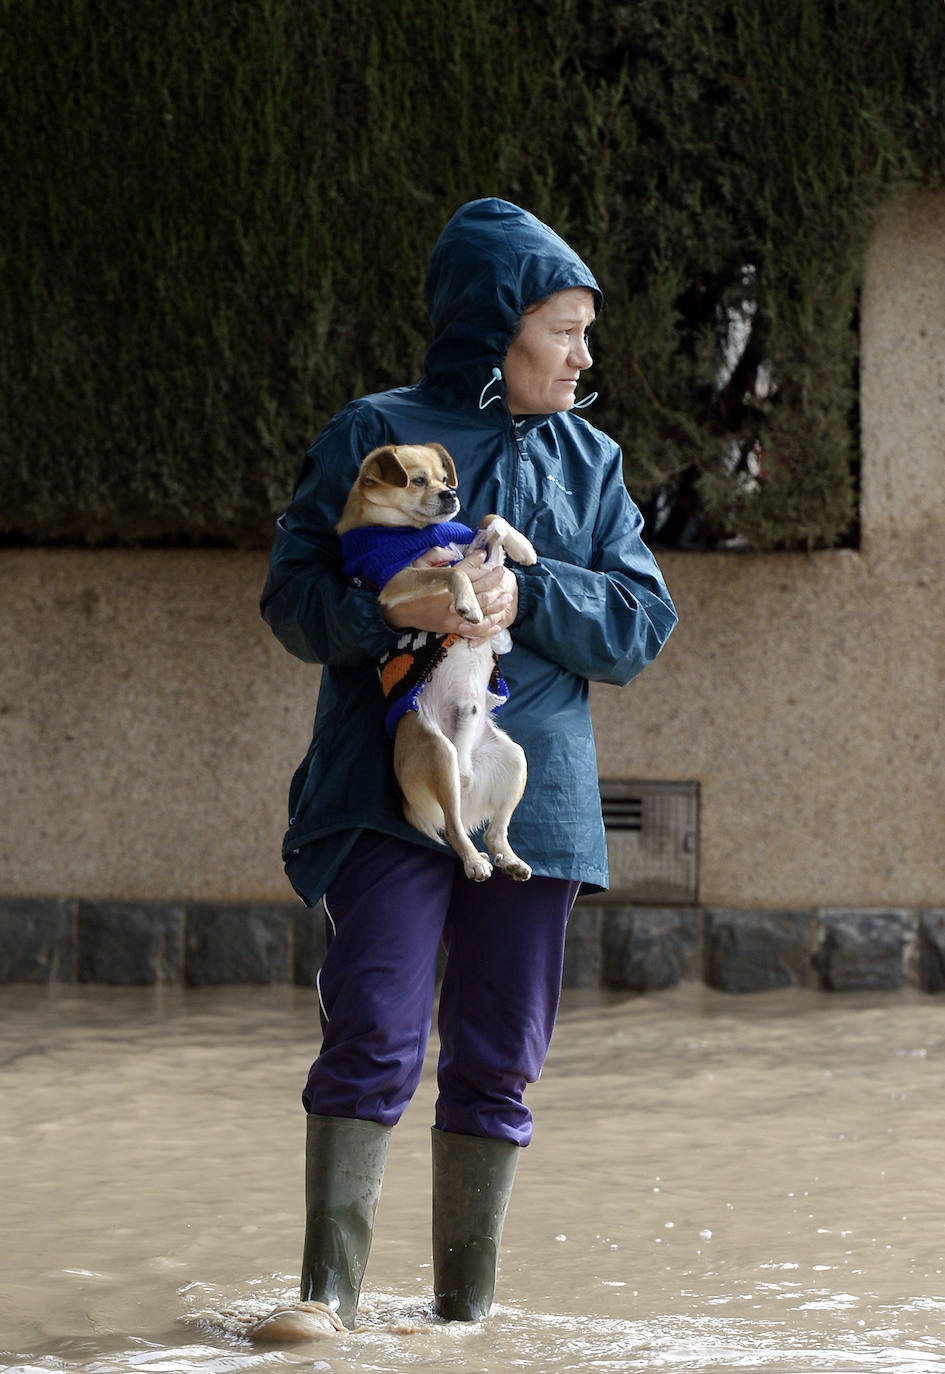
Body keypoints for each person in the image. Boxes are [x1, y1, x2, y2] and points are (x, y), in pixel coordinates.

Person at [259, 198, 677, 1332]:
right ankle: (323, 1314)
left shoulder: (593, 462)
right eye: (564, 328)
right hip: (384, 794)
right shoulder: (373, 430)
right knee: (375, 1032)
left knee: (498, 1064)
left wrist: (530, 593)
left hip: (531, 816)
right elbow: (291, 598)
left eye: (589, 331)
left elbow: (644, 620)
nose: (586, 355)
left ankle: (464, 1330)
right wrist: (382, 605)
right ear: (496, 326)